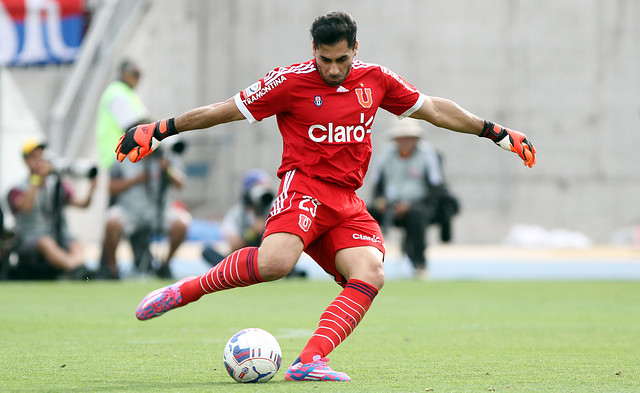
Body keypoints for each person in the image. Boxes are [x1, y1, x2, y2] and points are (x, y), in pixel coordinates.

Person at [114, 12, 536, 382]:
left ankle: (310, 360)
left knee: (370, 272)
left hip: (347, 202)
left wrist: (496, 132)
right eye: (325, 59)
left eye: (342, 59)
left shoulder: (377, 80)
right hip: (304, 189)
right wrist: (162, 129)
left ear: (356, 49)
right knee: (275, 264)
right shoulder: (289, 82)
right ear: (313, 49)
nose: (333, 69)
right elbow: (223, 109)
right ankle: (187, 290)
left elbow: (434, 110)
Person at [368, 118, 458, 279]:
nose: (405, 141)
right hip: (390, 205)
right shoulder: (385, 155)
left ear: (416, 139)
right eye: (401, 137)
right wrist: (380, 201)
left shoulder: (428, 154)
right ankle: (366, 261)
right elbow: (377, 185)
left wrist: (410, 205)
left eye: (408, 137)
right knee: (366, 213)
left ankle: (419, 264)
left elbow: (437, 188)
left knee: (417, 214)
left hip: (419, 205)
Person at [7, 138, 97, 280]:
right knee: (45, 242)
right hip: (29, 241)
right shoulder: (17, 189)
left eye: (41, 156)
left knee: (76, 243)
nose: (39, 161)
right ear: (26, 162)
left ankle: (76, 269)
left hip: (56, 237)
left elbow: (82, 204)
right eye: (34, 157)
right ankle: (75, 269)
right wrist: (36, 179)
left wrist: (91, 189)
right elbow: (26, 207)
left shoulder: (55, 184)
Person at [102, 146, 191, 279]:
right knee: (111, 221)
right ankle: (113, 270)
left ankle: (164, 266)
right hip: (130, 211)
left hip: (159, 212)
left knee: (182, 223)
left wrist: (168, 170)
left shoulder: (167, 157)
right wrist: (134, 180)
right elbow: (110, 188)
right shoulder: (123, 158)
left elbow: (181, 184)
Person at [202, 169, 275, 266]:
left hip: (268, 256)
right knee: (208, 252)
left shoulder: (274, 209)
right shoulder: (235, 214)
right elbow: (234, 246)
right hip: (243, 259)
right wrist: (252, 232)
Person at [96, 59, 149, 170]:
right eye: (135, 74)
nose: (138, 78)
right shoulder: (117, 93)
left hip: (124, 156)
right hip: (120, 156)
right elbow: (131, 126)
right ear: (124, 73)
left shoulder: (127, 93)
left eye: (140, 75)